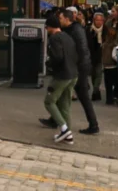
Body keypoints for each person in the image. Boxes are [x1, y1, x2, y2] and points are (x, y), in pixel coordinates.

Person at [59, 9, 100, 135]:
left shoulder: (75, 30)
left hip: (79, 67)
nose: (59, 20)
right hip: (79, 66)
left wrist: (78, 67)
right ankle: (55, 119)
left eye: (60, 18)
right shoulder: (73, 29)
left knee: (83, 96)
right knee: (61, 92)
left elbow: (81, 50)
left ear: (67, 19)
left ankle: (94, 124)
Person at [41, 14, 78, 144]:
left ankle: (64, 129)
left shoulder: (54, 38)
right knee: (65, 105)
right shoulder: (68, 37)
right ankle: (68, 135)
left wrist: (49, 63)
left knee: (49, 101)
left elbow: (57, 57)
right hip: (73, 74)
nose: (46, 29)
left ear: (51, 27)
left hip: (62, 75)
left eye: (47, 27)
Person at [102, 4, 118, 105]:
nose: (112, 13)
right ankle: (109, 97)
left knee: (117, 75)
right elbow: (104, 35)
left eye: (113, 11)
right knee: (108, 74)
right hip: (108, 50)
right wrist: (105, 44)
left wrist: (117, 45)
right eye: (111, 11)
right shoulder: (108, 22)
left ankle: (117, 95)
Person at [87, 11, 105, 101]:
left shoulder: (105, 30)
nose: (99, 22)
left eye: (101, 20)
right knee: (93, 74)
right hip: (91, 54)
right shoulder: (89, 30)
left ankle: (95, 90)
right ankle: (96, 92)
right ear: (94, 20)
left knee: (99, 73)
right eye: (97, 20)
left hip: (101, 54)